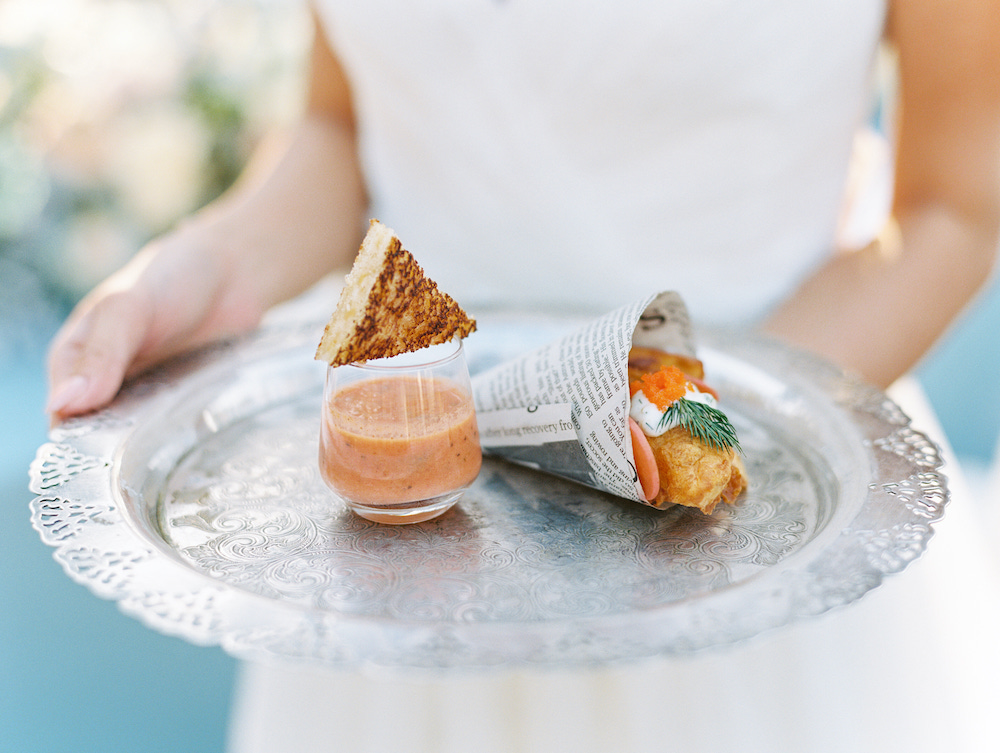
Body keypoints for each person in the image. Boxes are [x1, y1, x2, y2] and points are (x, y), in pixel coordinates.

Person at [44, 1, 1000, 752]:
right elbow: (344, 130)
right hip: (415, 571)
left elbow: (952, 205)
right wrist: (210, 266)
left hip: (736, 550)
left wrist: (707, 429)